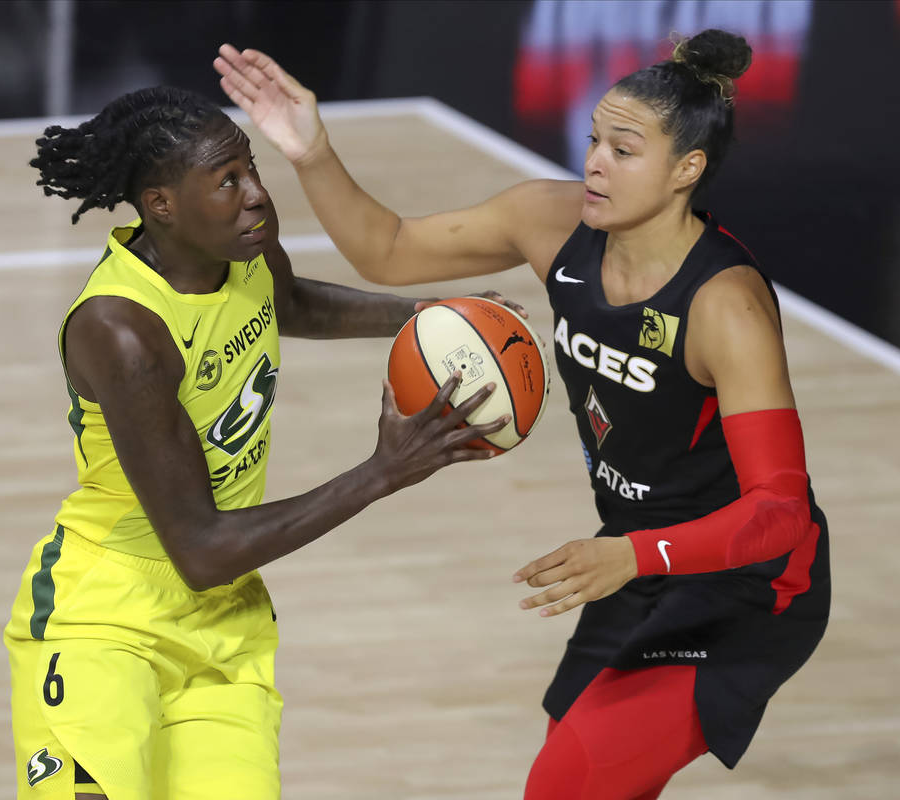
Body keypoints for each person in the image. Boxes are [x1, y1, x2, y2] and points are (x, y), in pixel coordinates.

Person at [215, 28, 830, 800]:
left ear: (687, 170)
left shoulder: (724, 307)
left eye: (625, 149)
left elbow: (781, 513)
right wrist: (311, 152)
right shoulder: (552, 220)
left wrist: (635, 556)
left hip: (745, 581)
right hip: (635, 559)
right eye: (594, 139)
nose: (596, 162)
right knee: (579, 766)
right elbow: (389, 249)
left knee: (566, 783)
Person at [2, 86, 514, 800]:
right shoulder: (123, 329)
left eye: (252, 169)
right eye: (228, 180)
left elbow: (291, 300)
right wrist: (382, 472)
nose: (257, 197)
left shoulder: (241, 252)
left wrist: (430, 318)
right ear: (162, 205)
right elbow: (202, 547)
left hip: (225, 621)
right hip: (108, 613)